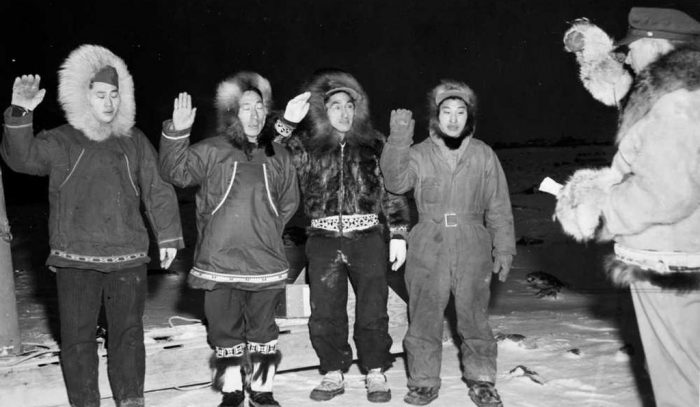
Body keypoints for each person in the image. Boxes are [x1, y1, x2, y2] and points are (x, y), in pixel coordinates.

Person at [1, 44, 184, 407]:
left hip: (127, 256)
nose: (108, 103)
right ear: (83, 96)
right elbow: (21, 159)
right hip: (76, 258)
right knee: (78, 337)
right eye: (100, 95)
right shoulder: (62, 140)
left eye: (114, 95)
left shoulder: (134, 141)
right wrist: (20, 112)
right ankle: (85, 401)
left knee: (128, 334)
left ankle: (131, 398)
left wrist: (168, 235)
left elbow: (157, 187)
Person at [558, 7, 700, 407]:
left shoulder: (677, 102)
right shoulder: (680, 89)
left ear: (655, 43)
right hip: (679, 256)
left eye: (631, 48)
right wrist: (594, 55)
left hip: (669, 262)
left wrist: (599, 210)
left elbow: (668, 192)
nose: (628, 57)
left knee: (681, 384)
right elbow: (628, 93)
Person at [159, 72, 299, 407]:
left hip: (264, 260)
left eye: (259, 107)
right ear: (233, 115)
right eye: (246, 108)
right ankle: (232, 388)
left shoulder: (278, 156)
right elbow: (174, 173)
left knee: (264, 330)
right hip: (219, 260)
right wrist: (176, 133)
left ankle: (263, 389)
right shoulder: (211, 150)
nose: (254, 115)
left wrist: (265, 228)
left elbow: (289, 202)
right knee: (224, 329)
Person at [274, 70, 410, 403]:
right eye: (335, 106)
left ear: (357, 109)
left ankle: (375, 371)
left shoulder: (374, 143)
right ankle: (333, 372)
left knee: (373, 307)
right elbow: (270, 155)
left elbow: (392, 190)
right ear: (324, 110)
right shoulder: (308, 146)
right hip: (322, 238)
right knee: (326, 310)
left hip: (367, 236)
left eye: (349, 106)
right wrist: (287, 124)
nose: (343, 112)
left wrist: (398, 233)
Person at [380, 81, 515, 406]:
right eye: (446, 112)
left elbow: (498, 204)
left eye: (460, 112)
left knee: (474, 317)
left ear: (469, 117)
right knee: (424, 316)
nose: (453, 119)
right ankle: (423, 382)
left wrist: (504, 246)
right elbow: (395, 183)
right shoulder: (419, 153)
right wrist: (398, 139)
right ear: (435, 116)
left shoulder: (483, 154)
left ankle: (482, 380)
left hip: (473, 242)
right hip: (429, 241)